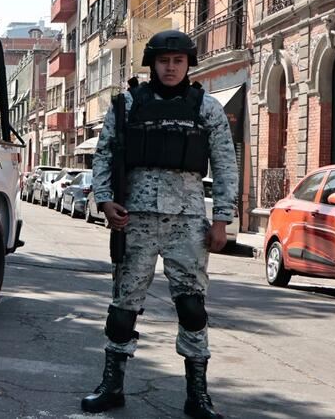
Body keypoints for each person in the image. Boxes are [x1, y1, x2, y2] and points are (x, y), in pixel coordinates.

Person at [80, 30, 237, 419]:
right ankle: (112, 385)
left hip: (188, 221)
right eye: (163, 61)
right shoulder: (128, 104)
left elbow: (225, 164)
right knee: (123, 306)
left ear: (188, 64)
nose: (170, 68)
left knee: (192, 307)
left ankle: (197, 395)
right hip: (136, 217)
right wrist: (104, 199)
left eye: (178, 61)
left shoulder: (207, 108)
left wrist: (222, 219)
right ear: (152, 63)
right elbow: (104, 155)